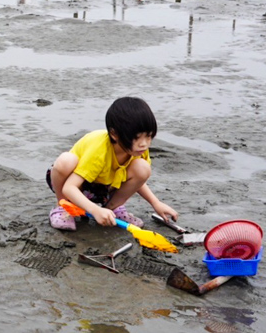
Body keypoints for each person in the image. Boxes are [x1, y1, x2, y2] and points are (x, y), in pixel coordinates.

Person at [46, 96, 177, 232]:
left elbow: (139, 179)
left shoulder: (138, 149)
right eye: (137, 137)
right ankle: (63, 207)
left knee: (143, 168)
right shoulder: (99, 150)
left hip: (104, 188)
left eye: (149, 136)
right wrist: (94, 210)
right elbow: (69, 188)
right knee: (66, 160)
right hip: (76, 185)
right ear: (114, 134)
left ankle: (110, 211)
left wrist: (155, 203)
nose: (144, 143)